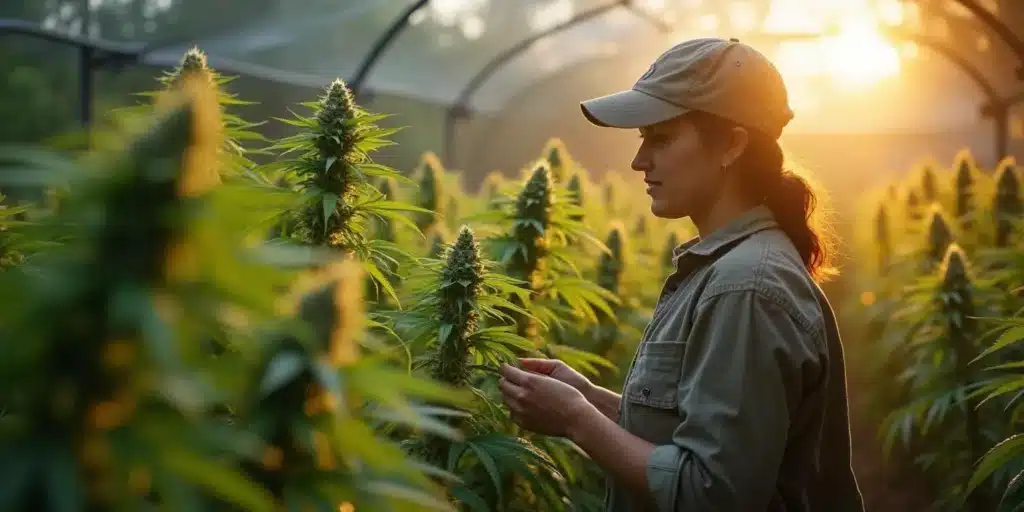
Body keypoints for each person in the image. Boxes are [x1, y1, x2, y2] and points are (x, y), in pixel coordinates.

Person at [497, 37, 866, 511]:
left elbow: (711, 493)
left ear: (732, 144)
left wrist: (575, 420)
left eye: (662, 138)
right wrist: (590, 398)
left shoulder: (746, 287)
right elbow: (692, 431)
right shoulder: (728, 268)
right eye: (642, 139)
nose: (639, 161)